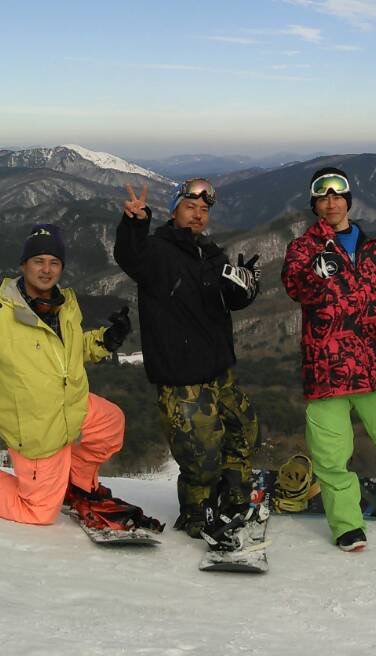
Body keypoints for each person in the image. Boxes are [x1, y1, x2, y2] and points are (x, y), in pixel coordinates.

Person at [0, 223, 136, 527]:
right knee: (39, 512)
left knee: (110, 422)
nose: (46, 270)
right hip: (35, 427)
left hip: (68, 405)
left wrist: (104, 340)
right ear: (23, 265)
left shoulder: (64, 305)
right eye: (38, 261)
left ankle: (79, 485)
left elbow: (68, 351)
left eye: (54, 262)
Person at [282, 166, 376, 552]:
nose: (331, 202)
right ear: (315, 205)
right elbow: (295, 287)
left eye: (337, 195)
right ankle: (347, 522)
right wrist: (316, 273)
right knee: (331, 453)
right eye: (323, 196)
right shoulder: (303, 249)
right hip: (327, 366)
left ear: (348, 200)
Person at [113, 178, 263, 546]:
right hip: (183, 376)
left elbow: (225, 302)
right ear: (174, 210)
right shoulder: (157, 251)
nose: (198, 214)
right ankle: (198, 513)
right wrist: (135, 221)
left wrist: (245, 291)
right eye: (189, 207)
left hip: (219, 369)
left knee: (243, 431)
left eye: (204, 210)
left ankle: (234, 499)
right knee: (201, 456)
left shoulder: (211, 254)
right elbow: (129, 256)